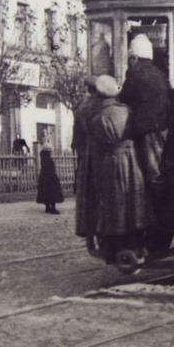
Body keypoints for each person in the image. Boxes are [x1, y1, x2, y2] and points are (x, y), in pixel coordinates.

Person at [88, 75, 151, 264]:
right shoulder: (128, 111)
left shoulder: (97, 117)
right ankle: (137, 243)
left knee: (114, 205)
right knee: (135, 202)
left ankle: (116, 246)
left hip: (110, 163)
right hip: (132, 160)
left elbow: (96, 145)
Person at [118, 34, 171, 248]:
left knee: (151, 176)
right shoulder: (160, 74)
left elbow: (124, 98)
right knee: (157, 172)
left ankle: (155, 225)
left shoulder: (135, 74)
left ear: (134, 57)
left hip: (145, 131)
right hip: (162, 128)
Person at [73, 77, 102, 244]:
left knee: (87, 197)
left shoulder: (81, 107)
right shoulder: (96, 106)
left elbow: (77, 138)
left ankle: (90, 233)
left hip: (85, 156)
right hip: (96, 156)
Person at [36, 148, 64, 214]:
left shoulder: (43, 161)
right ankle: (53, 208)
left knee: (46, 193)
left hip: (44, 179)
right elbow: (52, 170)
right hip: (51, 179)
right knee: (52, 193)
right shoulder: (49, 160)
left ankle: (47, 207)